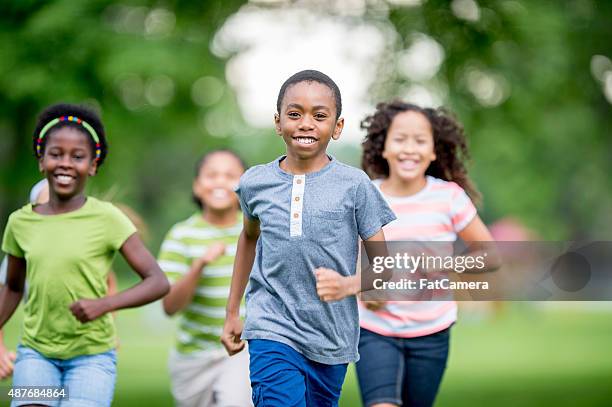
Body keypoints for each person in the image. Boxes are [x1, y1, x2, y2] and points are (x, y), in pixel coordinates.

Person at [221, 70, 396, 407]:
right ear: (278, 121)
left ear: (338, 126)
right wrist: (232, 312)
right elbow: (248, 238)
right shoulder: (254, 183)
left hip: (331, 337)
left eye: (319, 115)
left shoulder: (355, 185)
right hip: (271, 325)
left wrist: (348, 285)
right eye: (294, 114)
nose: (305, 124)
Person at [0, 103, 169, 407]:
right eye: (56, 154)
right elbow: (12, 287)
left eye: (77, 157)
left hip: (92, 357)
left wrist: (104, 304)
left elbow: (157, 281)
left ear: (92, 165)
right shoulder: (19, 222)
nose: (65, 163)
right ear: (42, 161)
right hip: (36, 353)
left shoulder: (107, 218)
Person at [356, 100, 495, 407]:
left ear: (433, 151)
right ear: (384, 147)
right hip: (375, 329)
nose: (410, 148)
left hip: (431, 331)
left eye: (420, 140)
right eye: (400, 139)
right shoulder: (365, 194)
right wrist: (364, 285)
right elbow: (346, 254)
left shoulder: (448, 198)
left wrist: (445, 265)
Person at [158, 149, 252, 407]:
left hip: (242, 349)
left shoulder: (256, 233)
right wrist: (199, 266)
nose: (220, 181)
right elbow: (169, 307)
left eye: (230, 175)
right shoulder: (181, 235)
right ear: (197, 187)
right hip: (192, 358)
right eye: (212, 175)